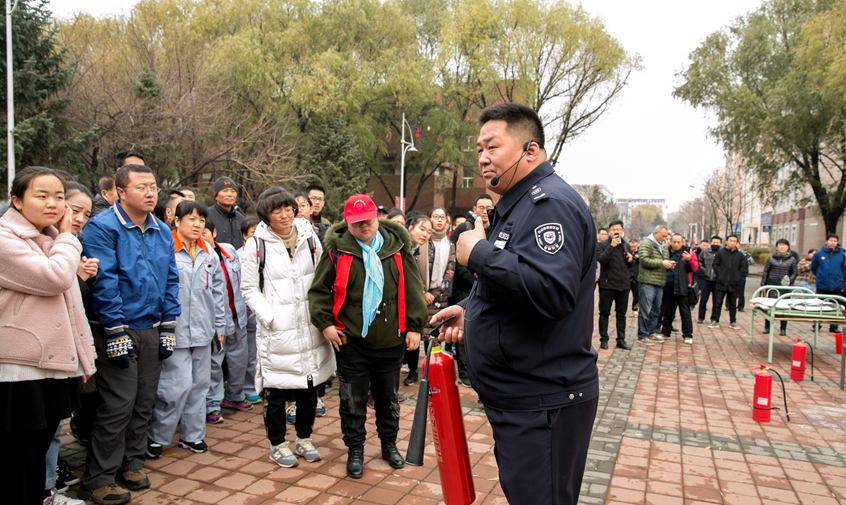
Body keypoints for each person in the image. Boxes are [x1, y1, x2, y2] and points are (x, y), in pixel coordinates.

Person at [430, 103, 599, 505]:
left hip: (543, 401)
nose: (483, 158)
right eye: (479, 150)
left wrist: (479, 254)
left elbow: (553, 291)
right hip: (521, 398)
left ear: (530, 150)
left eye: (493, 147)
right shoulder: (517, 205)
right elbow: (517, 282)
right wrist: (471, 310)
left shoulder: (549, 204)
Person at [78, 164, 181, 505]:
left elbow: (170, 278)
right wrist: (114, 330)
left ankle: (132, 463)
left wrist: (169, 324)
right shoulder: (102, 227)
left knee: (144, 400)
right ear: (120, 193)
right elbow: (104, 282)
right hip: (115, 328)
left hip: (151, 326)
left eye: (153, 186)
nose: (150, 192)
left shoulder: (161, 229)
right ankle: (98, 478)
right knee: (118, 403)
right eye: (141, 187)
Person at [309, 194, 427, 479]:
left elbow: (413, 288)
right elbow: (319, 291)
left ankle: (389, 444)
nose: (364, 227)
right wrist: (325, 324)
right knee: (352, 401)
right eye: (357, 223)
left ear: (377, 218)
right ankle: (355, 449)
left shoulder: (396, 247)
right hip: (351, 341)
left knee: (388, 399)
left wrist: (414, 327)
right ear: (347, 223)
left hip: (391, 340)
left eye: (368, 221)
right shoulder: (337, 250)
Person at [0, 167, 97, 505]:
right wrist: (68, 237)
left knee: (35, 455)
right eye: (41, 196)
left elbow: (71, 307)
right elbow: (55, 278)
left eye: (58, 196)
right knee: (15, 459)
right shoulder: (5, 239)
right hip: (19, 369)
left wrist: (83, 358)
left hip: (53, 365)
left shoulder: (52, 239)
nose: (53, 203)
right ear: (17, 200)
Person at [240, 190, 335, 467]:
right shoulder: (257, 244)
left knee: (309, 386)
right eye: (276, 211)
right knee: (276, 390)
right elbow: (249, 288)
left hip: (309, 325)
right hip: (277, 330)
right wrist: (270, 317)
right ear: (266, 215)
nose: (284, 215)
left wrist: (321, 313)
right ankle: (277, 444)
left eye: (288, 208)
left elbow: (322, 278)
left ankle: (304, 438)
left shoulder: (310, 237)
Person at [147, 201, 226, 458]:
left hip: (204, 330)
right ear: (176, 220)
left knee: (200, 385)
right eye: (191, 219)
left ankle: (192, 436)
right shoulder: (165, 248)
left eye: (201, 220)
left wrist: (220, 326)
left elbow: (218, 293)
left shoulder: (208, 252)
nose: (197, 224)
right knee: (175, 386)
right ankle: (158, 436)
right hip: (175, 330)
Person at [47, 182, 96, 497]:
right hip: (40, 352)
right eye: (74, 210)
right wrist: (77, 277)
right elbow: (51, 291)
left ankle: (51, 476)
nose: (79, 218)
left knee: (53, 424)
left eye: (86, 214)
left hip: (63, 347)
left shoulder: (74, 243)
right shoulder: (45, 244)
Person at [203, 220, 252, 424]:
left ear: (214, 232)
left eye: (205, 232)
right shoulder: (199, 256)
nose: (201, 236)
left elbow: (242, 278)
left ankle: (235, 395)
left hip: (237, 314)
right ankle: (212, 405)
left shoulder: (228, 250)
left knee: (240, 359)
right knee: (215, 363)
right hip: (215, 320)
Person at [596, 220, 633, 350]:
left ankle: (621, 339)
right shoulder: (602, 245)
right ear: (609, 231)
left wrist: (630, 259)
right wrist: (612, 245)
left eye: (618, 229)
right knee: (604, 313)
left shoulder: (626, 245)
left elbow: (630, 265)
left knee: (621, 315)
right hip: (607, 285)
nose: (616, 232)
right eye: (613, 229)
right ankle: (604, 339)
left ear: (622, 231)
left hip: (623, 285)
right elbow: (602, 260)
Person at [237, 218, 262, 404]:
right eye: (253, 232)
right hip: (244, 310)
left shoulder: (267, 252)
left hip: (261, 310)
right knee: (244, 354)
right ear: (245, 236)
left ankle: (255, 386)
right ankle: (243, 389)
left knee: (257, 353)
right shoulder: (237, 255)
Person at [636, 225, 672, 345]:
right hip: (648, 282)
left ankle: (651, 332)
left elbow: (664, 260)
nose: (665, 238)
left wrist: (669, 264)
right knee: (646, 310)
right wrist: (662, 263)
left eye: (666, 236)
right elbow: (644, 260)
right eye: (663, 236)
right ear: (656, 233)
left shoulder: (663, 246)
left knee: (656, 310)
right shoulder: (647, 244)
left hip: (659, 282)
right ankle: (642, 335)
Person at [660, 234, 699, 344]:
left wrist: (689, 260)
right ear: (670, 242)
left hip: (683, 286)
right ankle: (665, 332)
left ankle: (687, 335)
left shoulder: (688, 253)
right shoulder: (666, 252)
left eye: (679, 242)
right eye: (674, 242)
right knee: (667, 311)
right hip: (668, 286)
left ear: (683, 242)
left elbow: (695, 268)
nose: (676, 244)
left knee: (685, 312)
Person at [708, 234, 747, 330]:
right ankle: (715, 320)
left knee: (733, 304)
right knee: (717, 303)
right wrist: (719, 274)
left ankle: (733, 321)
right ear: (726, 242)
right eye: (730, 241)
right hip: (721, 282)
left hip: (734, 283)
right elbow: (715, 264)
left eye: (734, 241)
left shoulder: (740, 255)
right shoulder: (721, 253)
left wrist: (737, 277)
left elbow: (743, 268)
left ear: (737, 243)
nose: (732, 243)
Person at [761, 239, 798, 336]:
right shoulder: (771, 259)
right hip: (772, 286)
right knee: (769, 307)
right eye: (780, 245)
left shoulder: (792, 259)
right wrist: (763, 285)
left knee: (784, 308)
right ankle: (767, 327)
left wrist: (789, 280)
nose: (782, 247)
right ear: (777, 247)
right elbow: (766, 271)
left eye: (784, 245)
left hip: (785, 288)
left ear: (787, 247)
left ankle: (783, 329)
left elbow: (795, 272)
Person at [811, 234, 845, 333]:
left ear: (837, 242)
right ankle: (817, 324)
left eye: (835, 241)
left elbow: (843, 267)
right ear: (826, 241)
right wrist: (821, 276)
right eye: (831, 240)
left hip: (836, 284)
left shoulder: (841, 254)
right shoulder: (819, 254)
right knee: (819, 305)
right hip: (822, 284)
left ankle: (834, 326)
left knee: (836, 306)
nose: (833, 243)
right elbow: (814, 267)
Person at [207, 176, 246, 248]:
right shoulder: (207, 216)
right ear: (215, 195)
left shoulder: (241, 218)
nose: (229, 194)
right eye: (225, 191)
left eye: (233, 191)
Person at [696, 236, 722, 324]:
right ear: (711, 243)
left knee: (717, 301)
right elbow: (699, 262)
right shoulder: (704, 252)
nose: (715, 244)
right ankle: (701, 317)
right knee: (703, 299)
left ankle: (714, 318)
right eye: (714, 242)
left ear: (720, 244)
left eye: (717, 243)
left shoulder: (722, 253)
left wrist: (719, 274)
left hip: (717, 280)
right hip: (706, 279)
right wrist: (704, 271)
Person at [629, 238, 640, 316]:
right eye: (631, 247)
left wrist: (639, 258)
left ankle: (635, 309)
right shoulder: (626, 252)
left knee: (637, 295)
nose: (633, 248)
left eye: (634, 246)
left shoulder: (640, 253)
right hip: (628, 276)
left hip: (636, 277)